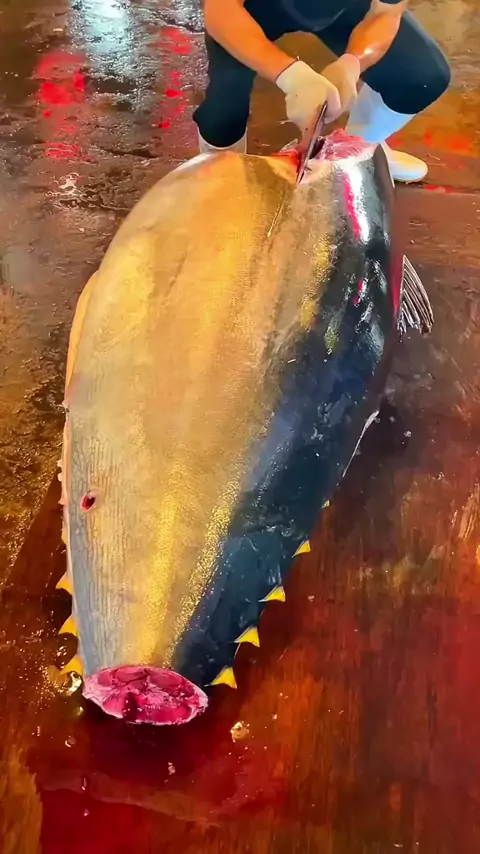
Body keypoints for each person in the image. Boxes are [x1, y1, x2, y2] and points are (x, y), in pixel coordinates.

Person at [193, 0, 450, 182]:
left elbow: (386, 13)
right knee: (224, 107)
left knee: (423, 77)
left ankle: (355, 153)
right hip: (255, 7)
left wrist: (353, 62)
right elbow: (221, 10)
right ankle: (222, 176)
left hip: (343, 6)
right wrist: (289, 74)